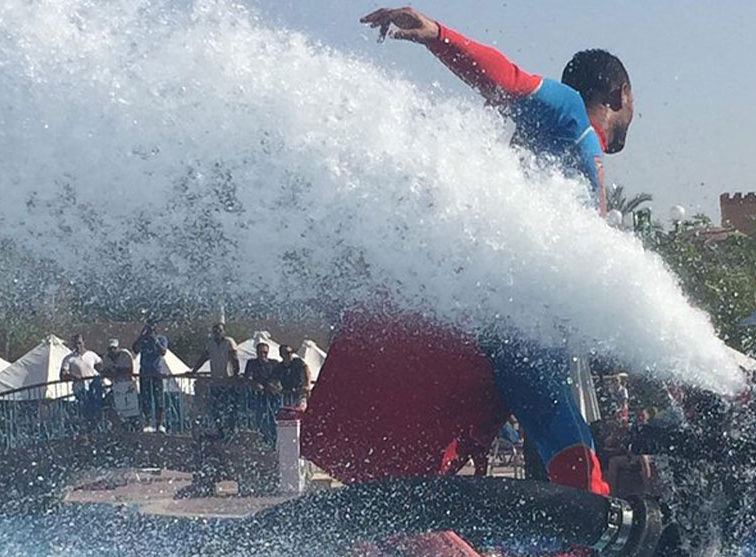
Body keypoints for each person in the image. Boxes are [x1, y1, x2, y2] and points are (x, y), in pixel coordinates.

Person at [304, 6, 634, 496]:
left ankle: (426, 529)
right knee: (565, 444)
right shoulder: (568, 112)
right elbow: (507, 79)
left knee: (553, 446)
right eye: (633, 104)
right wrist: (437, 35)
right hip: (517, 326)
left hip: (527, 332)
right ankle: (591, 528)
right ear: (619, 94)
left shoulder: (565, 147)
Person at [190, 322, 239, 438]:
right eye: (215, 331)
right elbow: (204, 358)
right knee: (215, 407)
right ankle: (219, 429)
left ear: (224, 331)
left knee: (229, 406)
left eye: (220, 330)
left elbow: (234, 359)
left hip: (227, 381)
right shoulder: (210, 344)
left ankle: (231, 429)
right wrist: (194, 371)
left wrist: (235, 374)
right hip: (215, 381)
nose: (217, 333)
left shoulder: (229, 342)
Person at [60, 334, 104, 429]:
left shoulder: (91, 355)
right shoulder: (69, 358)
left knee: (97, 407)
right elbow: (63, 375)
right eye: (75, 344)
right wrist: (74, 376)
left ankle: (97, 427)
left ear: (84, 342)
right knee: (85, 408)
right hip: (80, 388)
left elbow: (101, 366)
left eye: (79, 343)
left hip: (93, 387)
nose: (77, 346)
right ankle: (88, 428)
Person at [132, 322, 169, 433]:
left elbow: (163, 352)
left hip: (157, 373)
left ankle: (160, 424)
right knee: (146, 399)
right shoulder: (143, 340)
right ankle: (148, 422)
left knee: (159, 399)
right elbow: (135, 349)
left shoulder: (161, 339)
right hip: (144, 373)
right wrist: (142, 336)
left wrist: (155, 340)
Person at [244, 341, 281, 446]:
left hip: (272, 395)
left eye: (265, 352)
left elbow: (279, 377)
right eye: (260, 352)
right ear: (257, 352)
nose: (263, 355)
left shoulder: (274, 363)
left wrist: (273, 384)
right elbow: (247, 378)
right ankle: (264, 441)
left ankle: (275, 441)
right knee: (260, 418)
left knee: (274, 418)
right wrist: (255, 384)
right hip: (258, 395)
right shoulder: (252, 363)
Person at [100, 338, 140, 427]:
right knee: (116, 406)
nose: (112, 351)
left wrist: (116, 371)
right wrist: (113, 372)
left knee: (131, 407)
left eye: (114, 348)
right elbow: (104, 371)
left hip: (129, 385)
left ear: (118, 347)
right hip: (116, 386)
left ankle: (135, 425)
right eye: (110, 349)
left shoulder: (125, 355)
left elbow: (129, 370)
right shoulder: (106, 357)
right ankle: (120, 425)